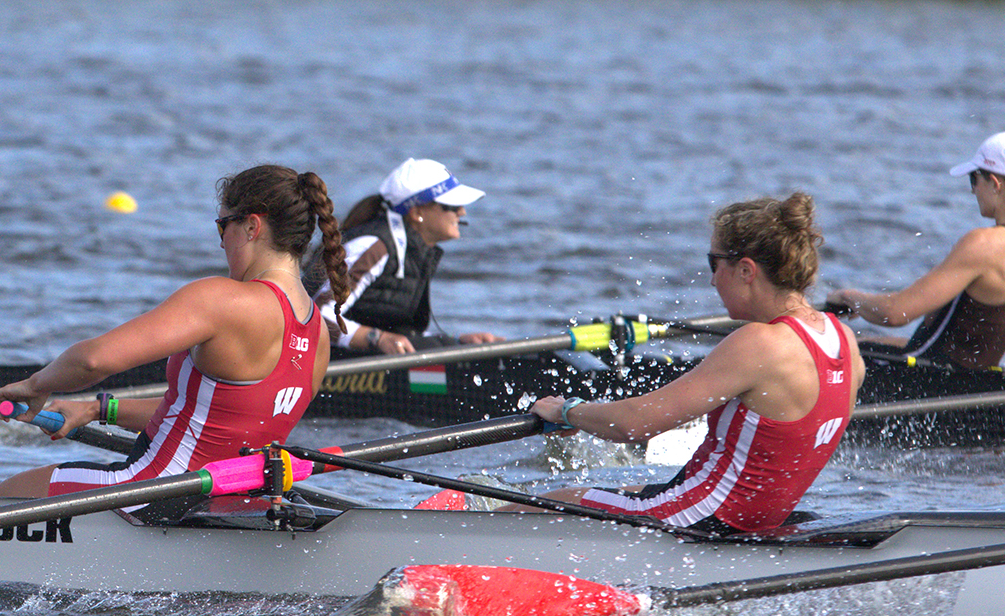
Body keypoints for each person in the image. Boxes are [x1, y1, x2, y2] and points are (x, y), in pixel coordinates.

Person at [0, 164, 343, 498]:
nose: (221, 243)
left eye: (223, 227)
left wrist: (36, 386)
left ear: (252, 227)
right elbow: (212, 418)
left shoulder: (223, 300)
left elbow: (93, 361)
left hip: (151, 494)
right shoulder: (318, 334)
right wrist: (98, 410)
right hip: (238, 502)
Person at [519, 192, 862, 534]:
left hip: (698, 521)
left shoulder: (761, 343)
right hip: (754, 522)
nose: (712, 279)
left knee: (530, 507)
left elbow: (632, 424)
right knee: (622, 491)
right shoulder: (843, 338)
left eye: (714, 263)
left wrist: (566, 411)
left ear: (745, 270)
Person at [825, 132, 1005, 371]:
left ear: (994, 183)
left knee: (827, 353)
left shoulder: (984, 245)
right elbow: (959, 347)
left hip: (932, 384)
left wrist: (850, 298)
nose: (973, 191)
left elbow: (894, 313)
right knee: (863, 343)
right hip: (977, 385)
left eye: (974, 179)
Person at [308, 158, 503, 355]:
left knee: (452, 348)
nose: (462, 212)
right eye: (451, 206)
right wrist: (377, 338)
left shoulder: (415, 250)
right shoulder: (374, 246)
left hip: (367, 361)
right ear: (417, 212)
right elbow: (315, 316)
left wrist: (455, 343)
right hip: (327, 360)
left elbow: (400, 331)